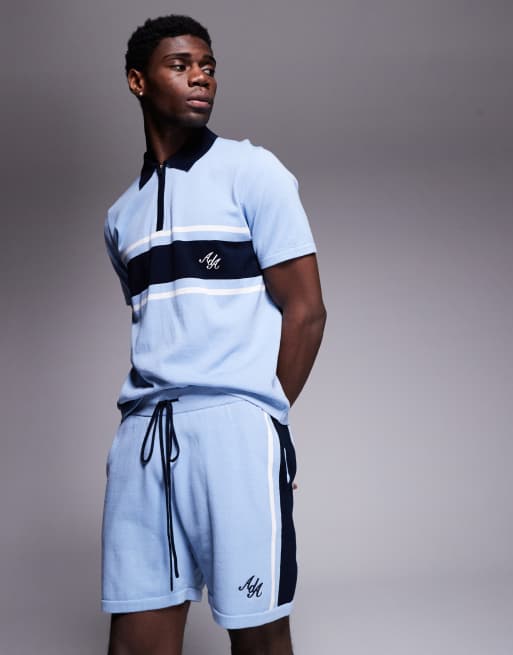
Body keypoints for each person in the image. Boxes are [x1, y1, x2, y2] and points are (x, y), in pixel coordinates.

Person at [101, 13, 327, 655]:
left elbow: (307, 311)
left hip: (235, 430)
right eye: (181, 65)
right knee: (135, 642)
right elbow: (163, 327)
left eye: (208, 66)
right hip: (143, 440)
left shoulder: (252, 171)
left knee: (259, 636)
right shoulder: (121, 217)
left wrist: (263, 417)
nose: (201, 77)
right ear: (138, 81)